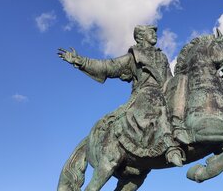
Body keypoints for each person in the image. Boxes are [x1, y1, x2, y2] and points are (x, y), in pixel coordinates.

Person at [58, 25, 184, 166]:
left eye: (155, 32)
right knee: (154, 97)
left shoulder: (162, 56)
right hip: (146, 94)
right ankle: (170, 147)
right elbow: (108, 66)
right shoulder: (134, 56)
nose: (155, 34)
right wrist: (80, 61)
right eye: (151, 32)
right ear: (141, 37)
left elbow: (169, 78)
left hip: (164, 90)